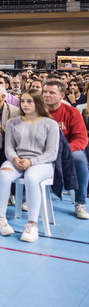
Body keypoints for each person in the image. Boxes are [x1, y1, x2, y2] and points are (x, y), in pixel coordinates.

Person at [0, 90, 60, 242]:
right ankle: (1, 218)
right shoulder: (12, 122)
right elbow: (8, 147)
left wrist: (31, 162)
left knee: (31, 178)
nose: (25, 104)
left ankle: (32, 224)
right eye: (22, 101)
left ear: (38, 103)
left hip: (42, 163)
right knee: (3, 173)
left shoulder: (50, 124)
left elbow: (52, 153)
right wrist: (15, 158)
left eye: (29, 101)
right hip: (17, 160)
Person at [42, 79, 89, 219]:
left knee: (79, 159)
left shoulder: (72, 112)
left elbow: (81, 139)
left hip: (68, 150)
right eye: (45, 92)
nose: (47, 95)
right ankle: (27, 197)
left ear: (62, 96)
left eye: (51, 92)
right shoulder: (36, 111)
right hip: (41, 151)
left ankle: (80, 202)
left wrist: (64, 150)